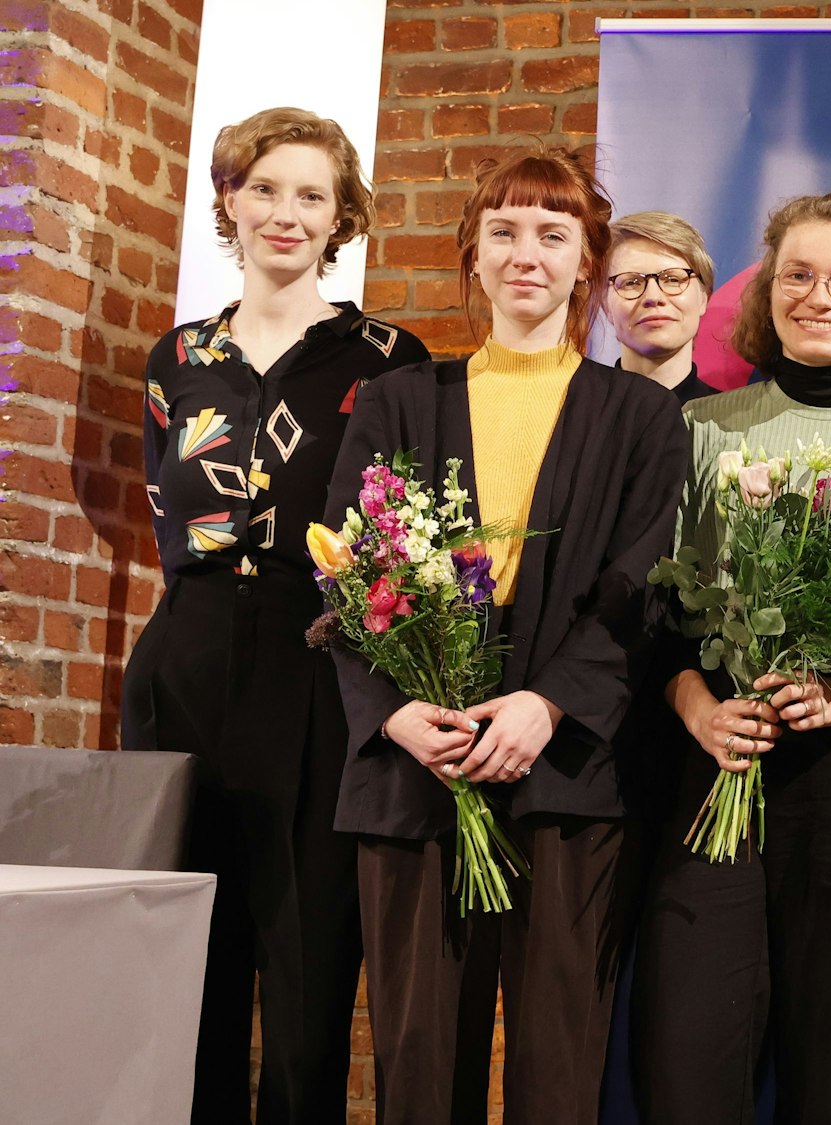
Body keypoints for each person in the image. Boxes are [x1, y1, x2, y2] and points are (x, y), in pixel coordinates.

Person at [323, 146, 688, 1125]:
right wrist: (394, 711)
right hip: (415, 767)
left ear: (587, 265)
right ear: (472, 256)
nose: (527, 253)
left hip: (564, 767)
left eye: (553, 234)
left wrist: (549, 700)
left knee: (558, 1061)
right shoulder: (398, 402)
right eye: (504, 232)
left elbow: (641, 585)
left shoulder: (644, 418)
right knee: (414, 1057)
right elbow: (346, 573)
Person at [123, 106, 429, 1125]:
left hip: (318, 664)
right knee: (182, 950)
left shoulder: (388, 356)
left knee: (305, 960)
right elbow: (168, 514)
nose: (285, 213)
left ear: (341, 215)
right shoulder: (177, 357)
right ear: (228, 200)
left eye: (311, 195)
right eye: (264, 189)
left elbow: (401, 527)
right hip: (188, 659)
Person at [628, 193, 831, 1124]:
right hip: (716, 763)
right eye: (799, 275)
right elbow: (652, 615)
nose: (821, 295)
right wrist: (696, 709)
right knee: (691, 1056)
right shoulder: (699, 430)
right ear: (765, 292)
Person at [603, 210, 719, 402]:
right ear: (605, 306)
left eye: (673, 279)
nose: (653, 297)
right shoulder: (574, 417)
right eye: (631, 282)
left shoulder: (734, 426)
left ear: (703, 297)